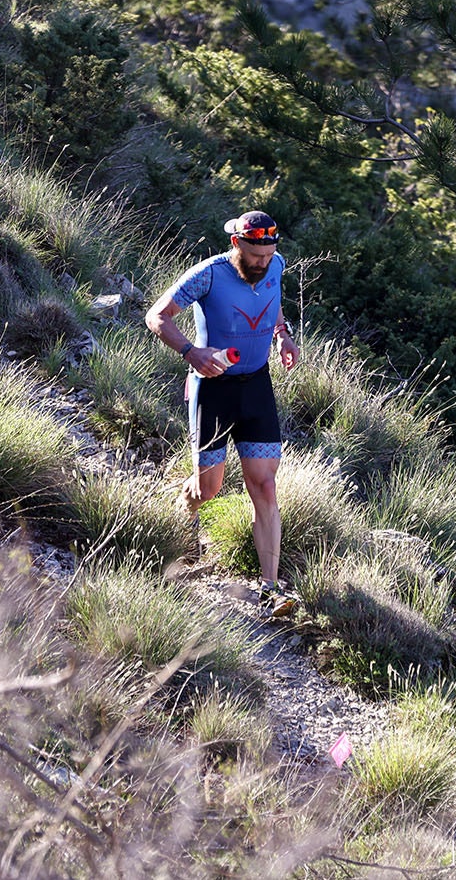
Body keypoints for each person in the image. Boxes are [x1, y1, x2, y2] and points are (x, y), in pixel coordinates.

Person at [145, 210, 302, 616]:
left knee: (265, 487)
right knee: (209, 489)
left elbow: (273, 304)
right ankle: (183, 512)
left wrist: (283, 337)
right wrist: (191, 352)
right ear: (237, 245)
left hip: (256, 387)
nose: (262, 263)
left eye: (268, 255)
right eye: (254, 255)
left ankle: (271, 588)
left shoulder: (277, 265)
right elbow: (156, 316)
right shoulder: (209, 275)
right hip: (212, 390)